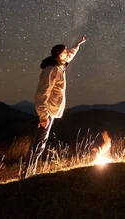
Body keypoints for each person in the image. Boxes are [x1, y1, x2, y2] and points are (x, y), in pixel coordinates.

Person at [25, 35, 86, 176]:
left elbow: (70, 54)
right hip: (47, 112)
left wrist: (78, 44)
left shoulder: (60, 65)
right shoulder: (52, 70)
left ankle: (29, 172)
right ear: (59, 55)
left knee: (42, 142)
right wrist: (43, 116)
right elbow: (41, 94)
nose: (67, 53)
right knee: (39, 143)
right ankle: (28, 173)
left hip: (52, 110)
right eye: (64, 52)